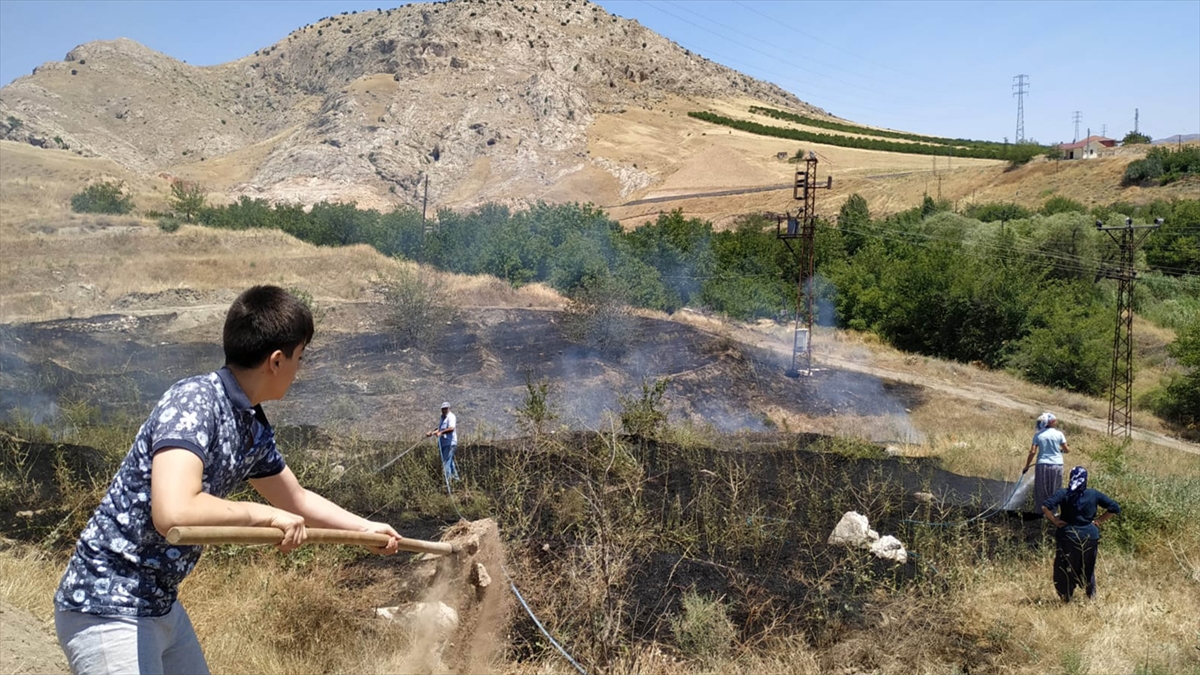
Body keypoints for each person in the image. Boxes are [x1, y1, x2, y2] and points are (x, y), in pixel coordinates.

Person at [53, 286, 403, 675]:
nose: (299, 370)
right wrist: (265, 517)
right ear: (275, 360)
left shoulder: (251, 426)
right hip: (108, 603)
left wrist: (366, 529)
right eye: (299, 358)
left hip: (160, 605)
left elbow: (297, 500)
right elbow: (174, 511)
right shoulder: (194, 402)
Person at [1042, 466, 1120, 601]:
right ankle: (1091, 596)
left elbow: (1045, 506)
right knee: (1088, 566)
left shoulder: (1063, 493)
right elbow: (1115, 507)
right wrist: (1099, 520)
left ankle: (1066, 596)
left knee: (1064, 566)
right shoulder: (1094, 494)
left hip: (1067, 536)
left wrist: (1055, 521)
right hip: (1090, 536)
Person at [1024, 411, 1069, 513]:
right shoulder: (1059, 434)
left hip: (1042, 465)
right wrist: (1060, 451)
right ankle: (1053, 514)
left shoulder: (1038, 435)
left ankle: (1041, 512)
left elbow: (1032, 452)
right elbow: (1067, 450)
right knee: (1055, 489)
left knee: (1041, 490)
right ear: (1052, 422)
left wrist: (1026, 466)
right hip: (1057, 465)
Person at [425, 402, 458, 483]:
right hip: (444, 443)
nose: (444, 410)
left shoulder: (451, 417)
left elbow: (451, 428)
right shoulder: (442, 418)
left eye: (446, 408)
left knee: (445, 463)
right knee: (450, 462)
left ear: (449, 408)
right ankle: (457, 481)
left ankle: (448, 483)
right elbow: (439, 429)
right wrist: (432, 433)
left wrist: (441, 433)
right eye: (443, 409)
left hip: (449, 443)